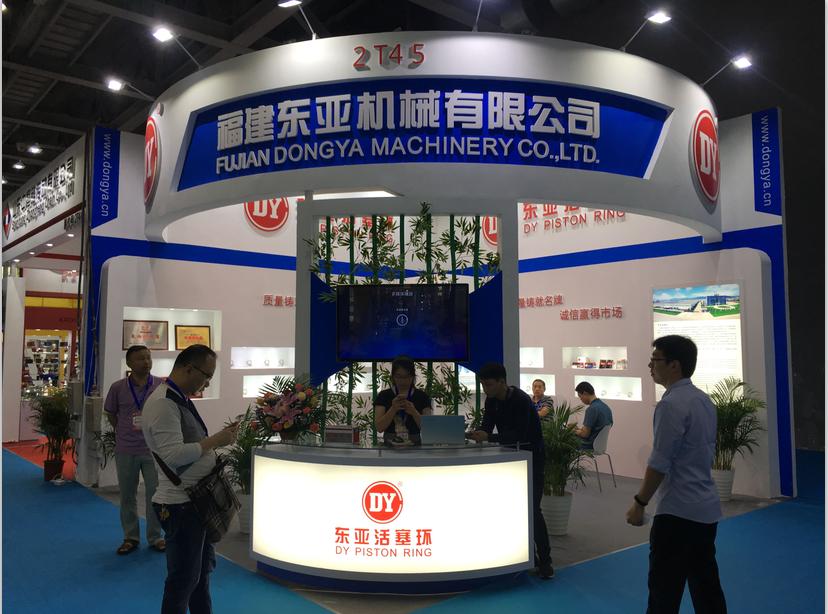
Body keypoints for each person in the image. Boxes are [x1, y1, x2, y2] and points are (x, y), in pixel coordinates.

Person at [626, 335, 727, 613]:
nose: (650, 365)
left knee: (664, 594)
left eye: (655, 359)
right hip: (705, 510)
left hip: (677, 514)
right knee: (707, 589)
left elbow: (660, 462)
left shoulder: (671, 404)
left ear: (674, 365)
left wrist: (640, 503)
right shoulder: (703, 400)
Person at [142, 344, 239, 614]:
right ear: (188, 369)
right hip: (181, 504)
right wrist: (216, 440)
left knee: (200, 576)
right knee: (183, 581)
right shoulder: (164, 403)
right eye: (207, 376)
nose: (207, 384)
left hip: (196, 500)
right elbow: (174, 455)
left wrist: (216, 441)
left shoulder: (178, 398)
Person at [468, 362, 554, 580]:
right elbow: (487, 426)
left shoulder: (521, 400)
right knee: (516, 508)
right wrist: (476, 434)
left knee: (533, 510)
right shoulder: (491, 401)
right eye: (483, 384)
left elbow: (520, 434)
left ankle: (546, 560)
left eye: (488, 384)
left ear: (502, 382)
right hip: (512, 458)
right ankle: (531, 557)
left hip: (533, 457)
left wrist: (489, 437)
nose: (485, 389)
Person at [104, 345, 165, 555]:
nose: (146, 362)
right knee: (127, 495)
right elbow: (111, 414)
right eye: (140, 358)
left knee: (155, 495)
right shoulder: (118, 387)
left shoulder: (161, 386)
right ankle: (130, 537)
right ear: (129, 363)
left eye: (148, 358)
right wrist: (124, 432)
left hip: (153, 450)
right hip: (126, 449)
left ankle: (156, 537)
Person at [374, 354, 431, 445]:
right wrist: (393, 409)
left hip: (415, 445)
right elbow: (379, 428)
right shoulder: (384, 395)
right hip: (390, 444)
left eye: (407, 376)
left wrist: (414, 412)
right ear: (393, 376)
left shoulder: (422, 396)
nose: (403, 381)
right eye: (398, 376)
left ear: (413, 376)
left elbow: (428, 428)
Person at [570, 382, 613, 450]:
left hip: (588, 444)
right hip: (599, 445)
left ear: (585, 394)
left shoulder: (592, 409)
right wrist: (577, 429)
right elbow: (594, 430)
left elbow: (585, 434)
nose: (580, 399)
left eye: (580, 396)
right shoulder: (606, 407)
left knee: (562, 435)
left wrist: (571, 430)